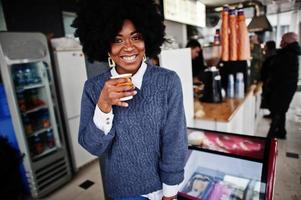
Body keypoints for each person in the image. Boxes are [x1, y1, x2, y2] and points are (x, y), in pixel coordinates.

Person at [73, 0, 188, 199]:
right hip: (123, 191)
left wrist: (170, 192)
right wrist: (104, 106)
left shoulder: (168, 81)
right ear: (105, 46)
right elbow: (92, 147)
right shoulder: (93, 88)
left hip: (163, 188)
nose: (128, 47)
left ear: (148, 39)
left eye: (136, 37)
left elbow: (175, 140)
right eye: (117, 40)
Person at [267, 32, 300, 139]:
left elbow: (279, 72)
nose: (280, 42)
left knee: (279, 110)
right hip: (287, 86)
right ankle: (281, 132)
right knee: (281, 109)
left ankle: (271, 135)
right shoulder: (290, 52)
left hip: (284, 87)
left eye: (282, 40)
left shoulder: (288, 54)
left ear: (287, 42)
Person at [260, 40, 277, 118]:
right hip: (268, 80)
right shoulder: (270, 53)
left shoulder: (272, 55)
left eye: (266, 45)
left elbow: (269, 69)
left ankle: (273, 114)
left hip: (269, 80)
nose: (264, 47)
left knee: (270, 98)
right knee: (269, 98)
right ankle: (272, 113)